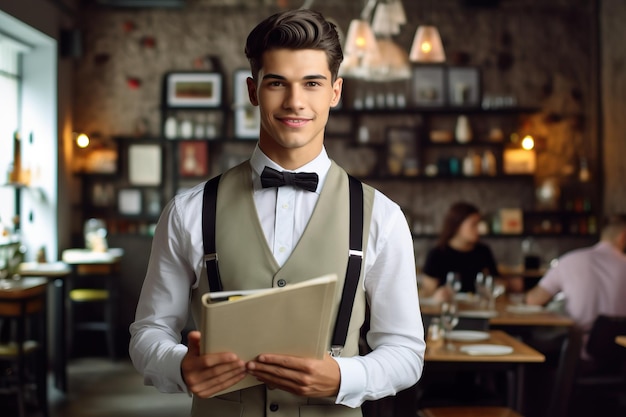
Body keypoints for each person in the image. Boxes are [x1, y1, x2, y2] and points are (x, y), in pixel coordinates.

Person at [129, 9, 425, 417]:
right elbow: (149, 332)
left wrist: (344, 376)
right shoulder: (189, 210)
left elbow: (407, 352)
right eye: (276, 83)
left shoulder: (382, 216)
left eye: (312, 84)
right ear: (253, 90)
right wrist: (179, 366)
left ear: (335, 92)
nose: (294, 102)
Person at [526, 214, 626, 351]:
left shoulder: (570, 260)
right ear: (623, 237)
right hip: (619, 354)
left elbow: (533, 300)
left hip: (576, 353)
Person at [420, 201, 500, 301]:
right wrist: (437, 295)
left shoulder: (483, 252)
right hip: (447, 309)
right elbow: (427, 292)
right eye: (473, 224)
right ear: (457, 226)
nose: (479, 229)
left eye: (479, 224)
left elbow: (495, 282)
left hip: (478, 309)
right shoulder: (437, 254)